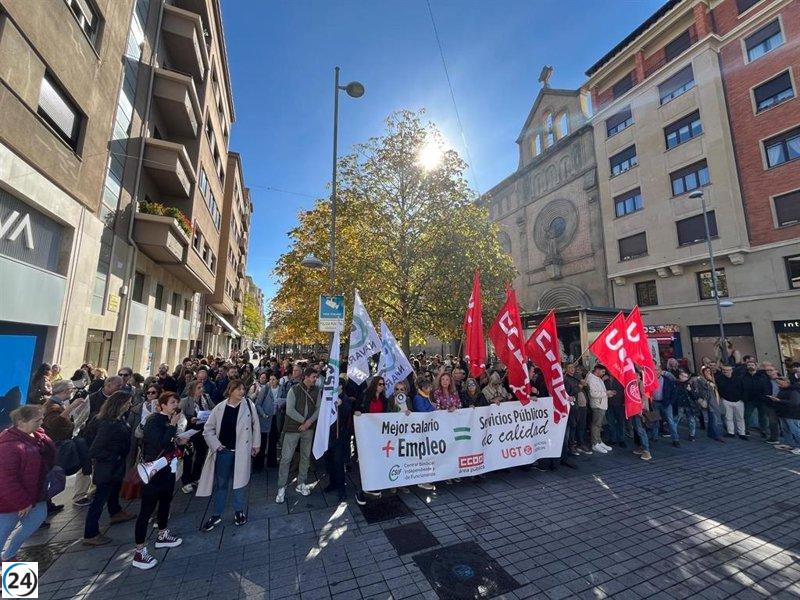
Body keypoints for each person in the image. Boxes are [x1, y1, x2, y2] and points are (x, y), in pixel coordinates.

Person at [132, 392, 184, 570]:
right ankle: (139, 551)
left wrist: (179, 439)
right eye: (172, 402)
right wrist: (173, 426)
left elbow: (169, 443)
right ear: (162, 405)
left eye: (176, 402)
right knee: (146, 511)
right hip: (153, 472)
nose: (175, 405)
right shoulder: (154, 420)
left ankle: (162, 534)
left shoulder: (168, 421)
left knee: (165, 503)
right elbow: (159, 444)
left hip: (167, 470)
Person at [199, 380, 260, 530]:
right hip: (224, 452)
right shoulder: (219, 408)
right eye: (238, 389)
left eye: (243, 389)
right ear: (230, 391)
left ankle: (239, 511)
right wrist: (216, 445)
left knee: (240, 483)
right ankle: (216, 514)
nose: (242, 391)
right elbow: (208, 429)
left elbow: (256, 425)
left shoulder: (249, 405)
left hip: (242, 451)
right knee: (221, 484)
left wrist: (256, 444)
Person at [0, 405, 56, 561]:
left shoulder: (35, 437)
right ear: (21, 422)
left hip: (34, 495)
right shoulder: (9, 446)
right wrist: (22, 502)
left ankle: (9, 556)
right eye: (37, 420)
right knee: (3, 533)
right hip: (11, 501)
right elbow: (6, 479)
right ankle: (7, 560)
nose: (41, 422)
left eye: (41, 419)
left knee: (36, 519)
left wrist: (42, 438)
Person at [83, 392, 135, 546]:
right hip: (108, 466)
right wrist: (114, 457)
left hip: (115, 465)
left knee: (114, 490)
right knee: (100, 498)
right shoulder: (108, 424)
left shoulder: (115, 419)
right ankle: (90, 534)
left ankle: (116, 512)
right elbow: (95, 449)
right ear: (119, 404)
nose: (130, 405)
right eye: (128, 403)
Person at [276, 368, 320, 504]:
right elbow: (290, 410)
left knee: (305, 457)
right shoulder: (294, 390)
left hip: (308, 428)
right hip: (292, 428)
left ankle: (301, 483)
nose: (315, 379)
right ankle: (281, 487)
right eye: (313, 376)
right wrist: (304, 422)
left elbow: (318, 408)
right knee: (286, 458)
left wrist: (308, 423)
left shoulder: (317, 391)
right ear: (306, 377)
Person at [179, 381, 213, 493]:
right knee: (188, 456)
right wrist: (190, 419)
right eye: (199, 388)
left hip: (203, 430)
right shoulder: (185, 401)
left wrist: (209, 414)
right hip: (190, 431)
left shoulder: (206, 398)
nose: (201, 389)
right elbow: (180, 415)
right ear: (192, 390)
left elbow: (213, 408)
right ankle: (186, 481)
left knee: (201, 455)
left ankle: (196, 477)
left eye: (202, 387)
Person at [324, 380, 353, 502]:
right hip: (329, 435)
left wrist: (340, 405)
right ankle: (333, 483)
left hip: (339, 437)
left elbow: (346, 414)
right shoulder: (329, 398)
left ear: (341, 386)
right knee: (330, 461)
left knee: (339, 463)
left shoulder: (346, 399)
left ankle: (342, 489)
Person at [250, 372, 275, 473]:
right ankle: (257, 465)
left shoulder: (281, 389)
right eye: (271, 379)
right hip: (263, 420)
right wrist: (263, 414)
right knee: (261, 442)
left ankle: (270, 462)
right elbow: (257, 404)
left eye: (274, 379)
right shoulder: (265, 389)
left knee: (272, 441)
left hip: (275, 419)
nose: (272, 381)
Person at [564, 363, 591, 455]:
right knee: (573, 426)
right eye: (569, 367)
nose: (572, 369)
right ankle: (572, 446)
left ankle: (581, 443)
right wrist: (578, 387)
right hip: (574, 407)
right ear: (566, 369)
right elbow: (568, 393)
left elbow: (586, 388)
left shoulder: (577, 377)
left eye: (573, 367)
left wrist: (584, 385)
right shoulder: (566, 379)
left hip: (583, 405)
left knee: (582, 425)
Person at [693, 366, 724, 442]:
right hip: (709, 401)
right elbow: (702, 390)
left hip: (714, 400)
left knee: (712, 418)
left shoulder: (711, 379)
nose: (708, 372)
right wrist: (709, 383)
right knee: (714, 418)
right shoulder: (700, 379)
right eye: (706, 371)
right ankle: (716, 435)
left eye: (709, 371)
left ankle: (710, 433)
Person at [716, 365, 747, 440]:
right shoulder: (719, 379)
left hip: (739, 401)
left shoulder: (738, 378)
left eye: (728, 370)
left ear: (731, 370)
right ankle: (730, 432)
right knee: (728, 417)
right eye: (724, 370)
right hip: (726, 400)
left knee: (740, 418)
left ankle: (742, 433)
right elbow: (718, 389)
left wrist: (742, 399)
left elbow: (744, 389)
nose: (726, 371)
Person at [587, 364, 612, 454]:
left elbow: (600, 392)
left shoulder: (598, 378)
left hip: (601, 404)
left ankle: (599, 441)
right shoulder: (591, 379)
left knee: (598, 425)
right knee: (596, 425)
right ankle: (595, 444)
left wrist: (607, 394)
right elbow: (593, 394)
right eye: (603, 371)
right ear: (597, 370)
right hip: (597, 405)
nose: (604, 373)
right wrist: (606, 393)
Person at [772, 377, 800, 454]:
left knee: (795, 430)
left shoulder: (793, 391)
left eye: (780, 383)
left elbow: (795, 403)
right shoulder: (782, 390)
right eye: (778, 383)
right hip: (783, 413)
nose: (779, 385)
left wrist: (779, 400)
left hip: (792, 414)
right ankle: (791, 445)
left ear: (786, 382)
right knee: (785, 430)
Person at [630, 371, 653, 461]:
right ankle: (642, 447)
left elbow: (644, 396)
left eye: (636, 375)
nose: (634, 376)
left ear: (639, 376)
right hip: (633, 410)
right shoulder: (633, 384)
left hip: (639, 410)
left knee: (641, 430)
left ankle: (647, 451)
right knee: (637, 428)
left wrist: (641, 408)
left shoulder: (641, 384)